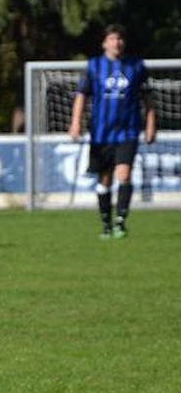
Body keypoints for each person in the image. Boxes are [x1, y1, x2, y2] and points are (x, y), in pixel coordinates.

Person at [68, 24, 156, 239]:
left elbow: (148, 99)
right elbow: (81, 96)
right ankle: (106, 223)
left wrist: (151, 124)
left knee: (124, 174)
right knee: (104, 180)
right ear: (104, 43)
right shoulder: (94, 66)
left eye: (120, 39)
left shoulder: (136, 66)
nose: (117, 43)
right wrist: (75, 122)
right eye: (112, 39)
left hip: (128, 131)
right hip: (101, 133)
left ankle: (120, 221)